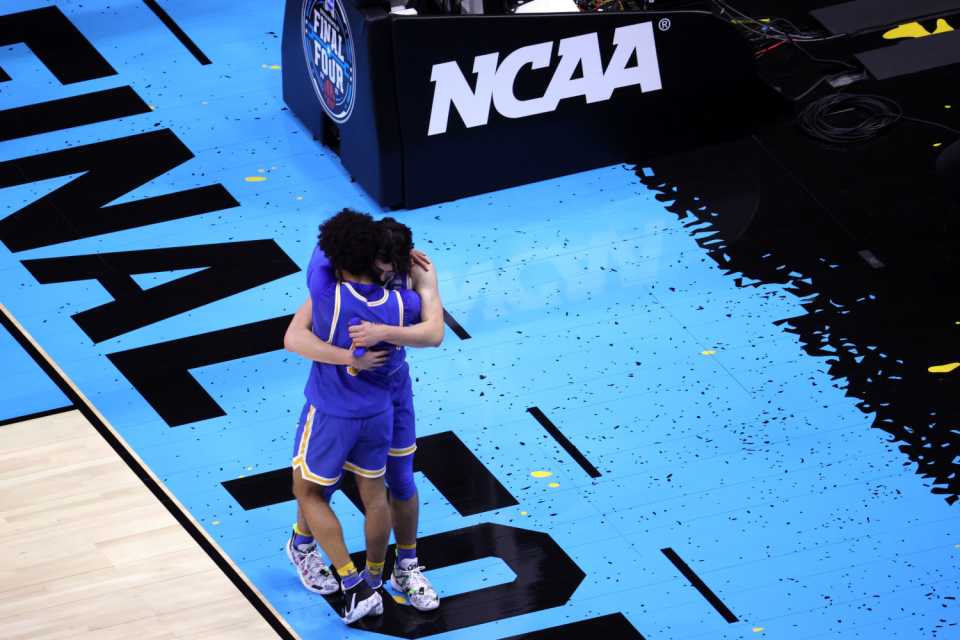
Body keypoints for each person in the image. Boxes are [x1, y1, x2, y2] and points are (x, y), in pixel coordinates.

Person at [284, 216, 445, 612]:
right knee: (325, 484)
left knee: (399, 480)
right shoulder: (347, 284)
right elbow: (294, 335)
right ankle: (305, 547)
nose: (387, 267)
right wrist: (352, 354)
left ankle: (400, 569)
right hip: (352, 393)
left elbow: (434, 333)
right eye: (381, 259)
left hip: (391, 392)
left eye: (393, 260)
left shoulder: (415, 274)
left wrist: (380, 333)